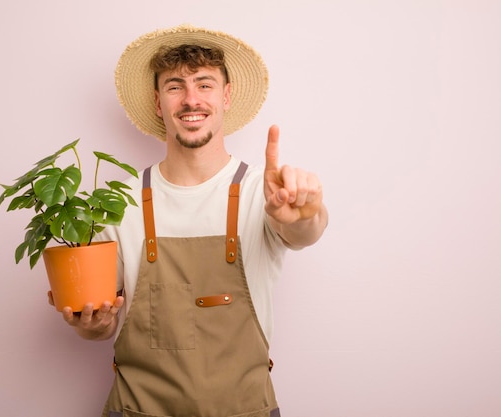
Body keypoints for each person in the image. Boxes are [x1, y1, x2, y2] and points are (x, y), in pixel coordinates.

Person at [49, 24, 328, 417]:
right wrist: (91, 324)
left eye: (205, 84)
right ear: (158, 101)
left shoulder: (261, 191)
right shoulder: (120, 202)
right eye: (175, 86)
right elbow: (101, 325)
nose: (191, 99)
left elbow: (304, 233)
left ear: (227, 95)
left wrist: (306, 212)